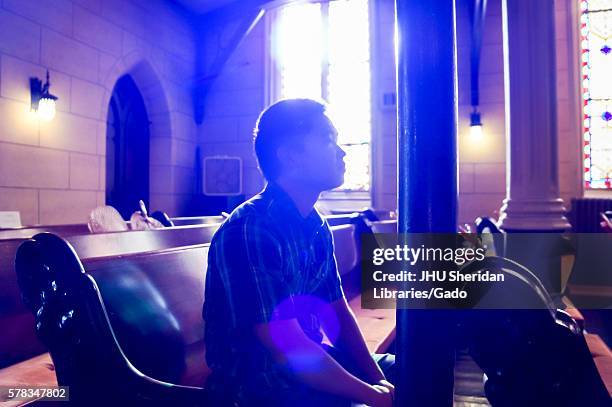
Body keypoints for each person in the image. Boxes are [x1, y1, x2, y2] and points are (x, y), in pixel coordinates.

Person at [203, 99, 394, 406]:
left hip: (308, 373)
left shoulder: (315, 224)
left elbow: (338, 311)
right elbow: (285, 346)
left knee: (416, 370)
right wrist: (371, 395)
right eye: (328, 139)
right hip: (260, 389)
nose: (342, 151)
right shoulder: (251, 229)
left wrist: (378, 381)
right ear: (290, 156)